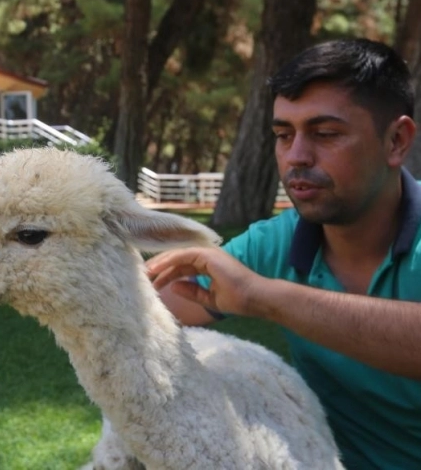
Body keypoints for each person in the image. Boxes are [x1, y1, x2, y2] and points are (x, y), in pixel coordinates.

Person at [146, 38, 421, 469]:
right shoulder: (275, 242)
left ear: (396, 141)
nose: (295, 157)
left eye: (325, 134)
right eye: (282, 134)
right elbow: (148, 308)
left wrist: (264, 297)